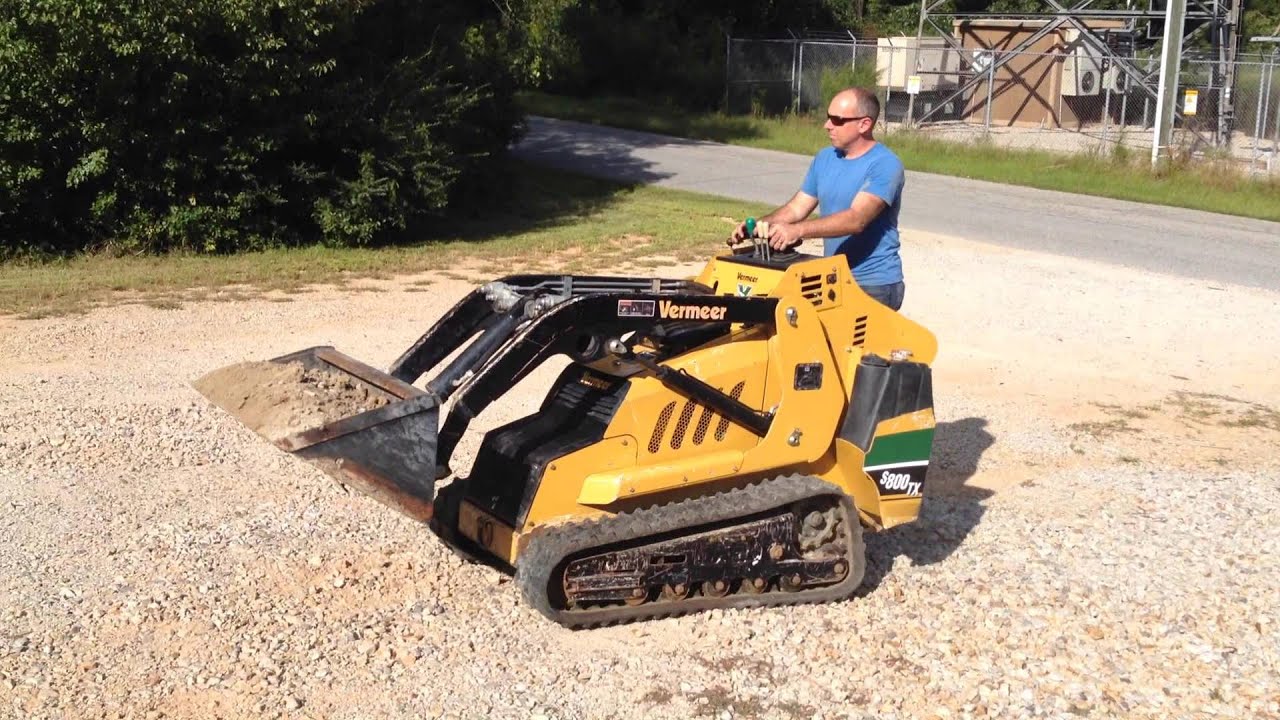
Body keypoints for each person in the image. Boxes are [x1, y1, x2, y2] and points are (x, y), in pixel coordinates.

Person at [731, 87, 907, 311]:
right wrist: (761, 225)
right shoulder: (825, 158)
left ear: (864, 124)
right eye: (828, 117)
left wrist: (797, 231)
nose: (827, 125)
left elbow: (857, 219)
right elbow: (796, 208)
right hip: (833, 278)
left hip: (873, 284)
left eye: (837, 120)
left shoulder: (885, 164)